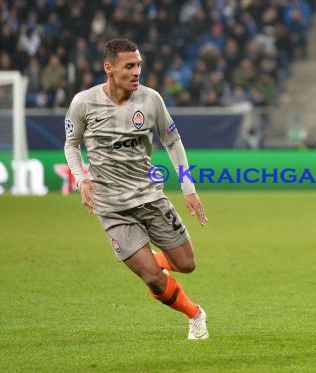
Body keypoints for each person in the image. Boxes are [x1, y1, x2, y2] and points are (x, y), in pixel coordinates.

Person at [64, 38, 209, 340]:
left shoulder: (151, 100)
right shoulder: (84, 103)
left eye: (139, 65)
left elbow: (172, 141)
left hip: (150, 196)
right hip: (112, 208)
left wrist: (188, 187)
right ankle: (194, 314)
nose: (136, 71)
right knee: (154, 279)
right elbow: (71, 144)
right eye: (129, 66)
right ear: (109, 68)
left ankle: (149, 258)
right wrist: (82, 179)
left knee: (187, 264)